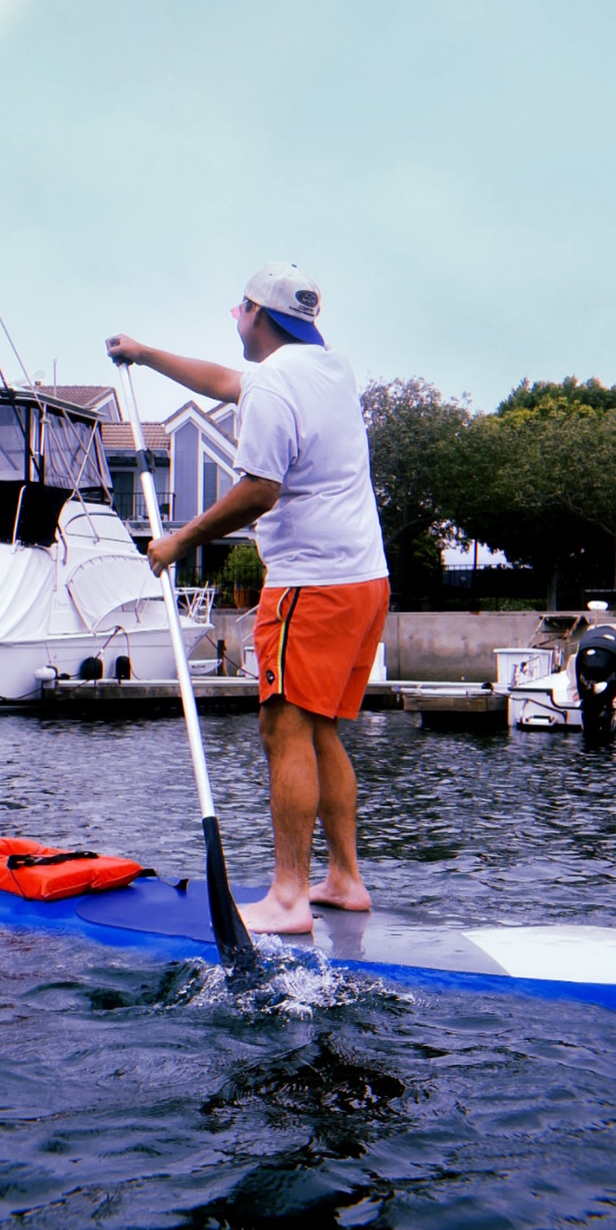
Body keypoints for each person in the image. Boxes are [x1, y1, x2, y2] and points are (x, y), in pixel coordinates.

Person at [106, 264, 389, 935]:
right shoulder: (330, 370)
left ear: (258, 316)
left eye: (239, 309)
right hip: (364, 579)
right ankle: (345, 879)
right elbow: (228, 382)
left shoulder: (271, 385)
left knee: (282, 728)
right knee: (319, 730)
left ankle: (288, 898)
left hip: (309, 586)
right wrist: (145, 355)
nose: (233, 318)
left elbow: (259, 490)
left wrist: (179, 541)